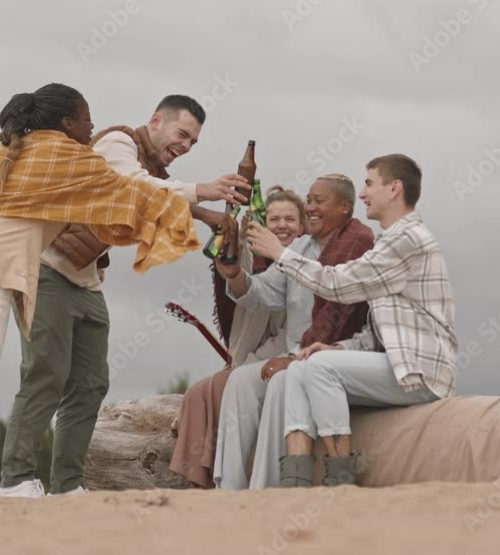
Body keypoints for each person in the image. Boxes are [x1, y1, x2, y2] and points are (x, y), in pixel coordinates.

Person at [0, 83, 199, 499]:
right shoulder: (65, 153)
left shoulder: (2, 152)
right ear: (67, 123)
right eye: (87, 118)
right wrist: (201, 193)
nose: (93, 127)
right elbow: (128, 190)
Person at [0, 95, 252, 498]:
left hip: (87, 281)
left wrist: (210, 216)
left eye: (193, 143)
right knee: (45, 374)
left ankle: (66, 485)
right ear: (155, 121)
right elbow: (133, 185)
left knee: (91, 384)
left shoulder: (155, 168)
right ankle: (14, 480)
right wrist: (204, 191)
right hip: (46, 271)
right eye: (182, 134)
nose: (185, 146)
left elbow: (158, 192)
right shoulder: (117, 142)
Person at [244, 154, 458, 488]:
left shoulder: (409, 240)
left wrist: (280, 253)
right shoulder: (390, 240)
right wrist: (336, 346)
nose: (362, 194)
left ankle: (339, 479)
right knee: (304, 364)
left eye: (370, 183)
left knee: (320, 367)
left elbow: (338, 284)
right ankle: (295, 482)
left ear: (395, 188)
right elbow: (379, 331)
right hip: (398, 366)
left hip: (420, 372)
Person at [212, 174, 375, 489]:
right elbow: (265, 293)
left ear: (345, 208)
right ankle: (228, 488)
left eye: (319, 201)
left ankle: (267, 487)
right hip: (295, 355)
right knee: (240, 381)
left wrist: (296, 360)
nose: (310, 208)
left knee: (280, 382)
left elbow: (338, 308)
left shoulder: (360, 242)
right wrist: (233, 275)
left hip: (332, 356)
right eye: (309, 200)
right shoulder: (301, 245)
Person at [169, 187, 306, 488]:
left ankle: (231, 477)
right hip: (246, 358)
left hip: (281, 357)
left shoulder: (305, 263)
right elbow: (234, 273)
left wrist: (249, 362)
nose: (282, 225)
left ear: (302, 226)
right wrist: (225, 224)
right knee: (197, 392)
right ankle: (200, 478)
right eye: (274, 219)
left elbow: (295, 333)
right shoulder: (251, 256)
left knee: (225, 384)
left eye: (290, 219)